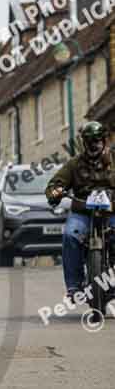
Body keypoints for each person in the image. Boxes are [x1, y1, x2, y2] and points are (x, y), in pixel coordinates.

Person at [46, 121, 115, 299]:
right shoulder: (74, 164)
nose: (94, 145)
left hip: (112, 211)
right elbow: (55, 184)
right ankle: (74, 286)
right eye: (90, 141)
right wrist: (56, 192)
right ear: (84, 143)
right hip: (82, 211)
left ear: (104, 141)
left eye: (98, 140)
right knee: (70, 235)